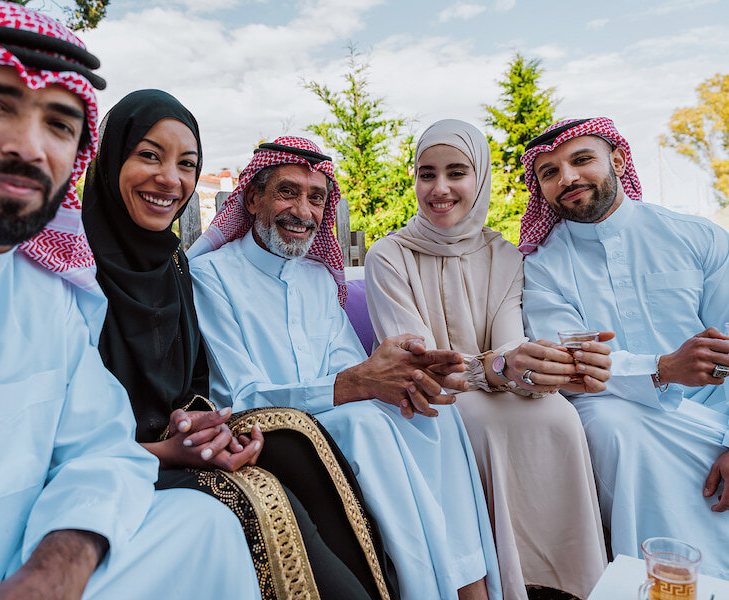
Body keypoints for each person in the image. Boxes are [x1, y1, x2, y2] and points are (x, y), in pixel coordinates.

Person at [0, 3, 260, 599]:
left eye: (59, 124)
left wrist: (54, 572)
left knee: (207, 527)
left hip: (17, 575)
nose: (31, 147)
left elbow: (102, 453)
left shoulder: (47, 288)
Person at [82, 89, 394, 600]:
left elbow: (190, 390)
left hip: (184, 452)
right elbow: (62, 423)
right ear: (113, 156)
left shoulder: (172, 268)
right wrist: (167, 448)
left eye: (186, 164)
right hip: (115, 466)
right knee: (270, 499)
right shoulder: (70, 267)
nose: (170, 179)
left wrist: (193, 426)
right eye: (148, 155)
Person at [188, 136, 504, 600]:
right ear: (253, 199)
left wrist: (405, 372)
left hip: (337, 409)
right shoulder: (211, 276)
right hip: (266, 427)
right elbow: (242, 393)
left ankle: (468, 584)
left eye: (317, 198)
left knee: (433, 410)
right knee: (366, 424)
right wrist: (355, 383)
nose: (304, 210)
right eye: (288, 192)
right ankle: (423, 589)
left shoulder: (318, 277)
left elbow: (351, 367)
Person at [364, 119, 608, 600]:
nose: (439, 188)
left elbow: (511, 343)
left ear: (480, 179)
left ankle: (567, 584)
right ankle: (503, 585)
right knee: (473, 420)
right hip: (430, 401)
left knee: (558, 417)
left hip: (497, 385)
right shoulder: (387, 255)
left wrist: (531, 367)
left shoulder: (504, 253)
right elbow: (421, 364)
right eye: (426, 173)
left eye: (456, 172)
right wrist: (500, 368)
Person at [519, 117, 729, 579]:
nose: (567, 178)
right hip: (615, 409)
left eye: (581, 159)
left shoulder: (696, 235)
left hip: (718, 414)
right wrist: (663, 368)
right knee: (612, 425)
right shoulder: (543, 267)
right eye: (549, 172)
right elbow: (574, 364)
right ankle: (662, 579)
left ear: (616, 159)